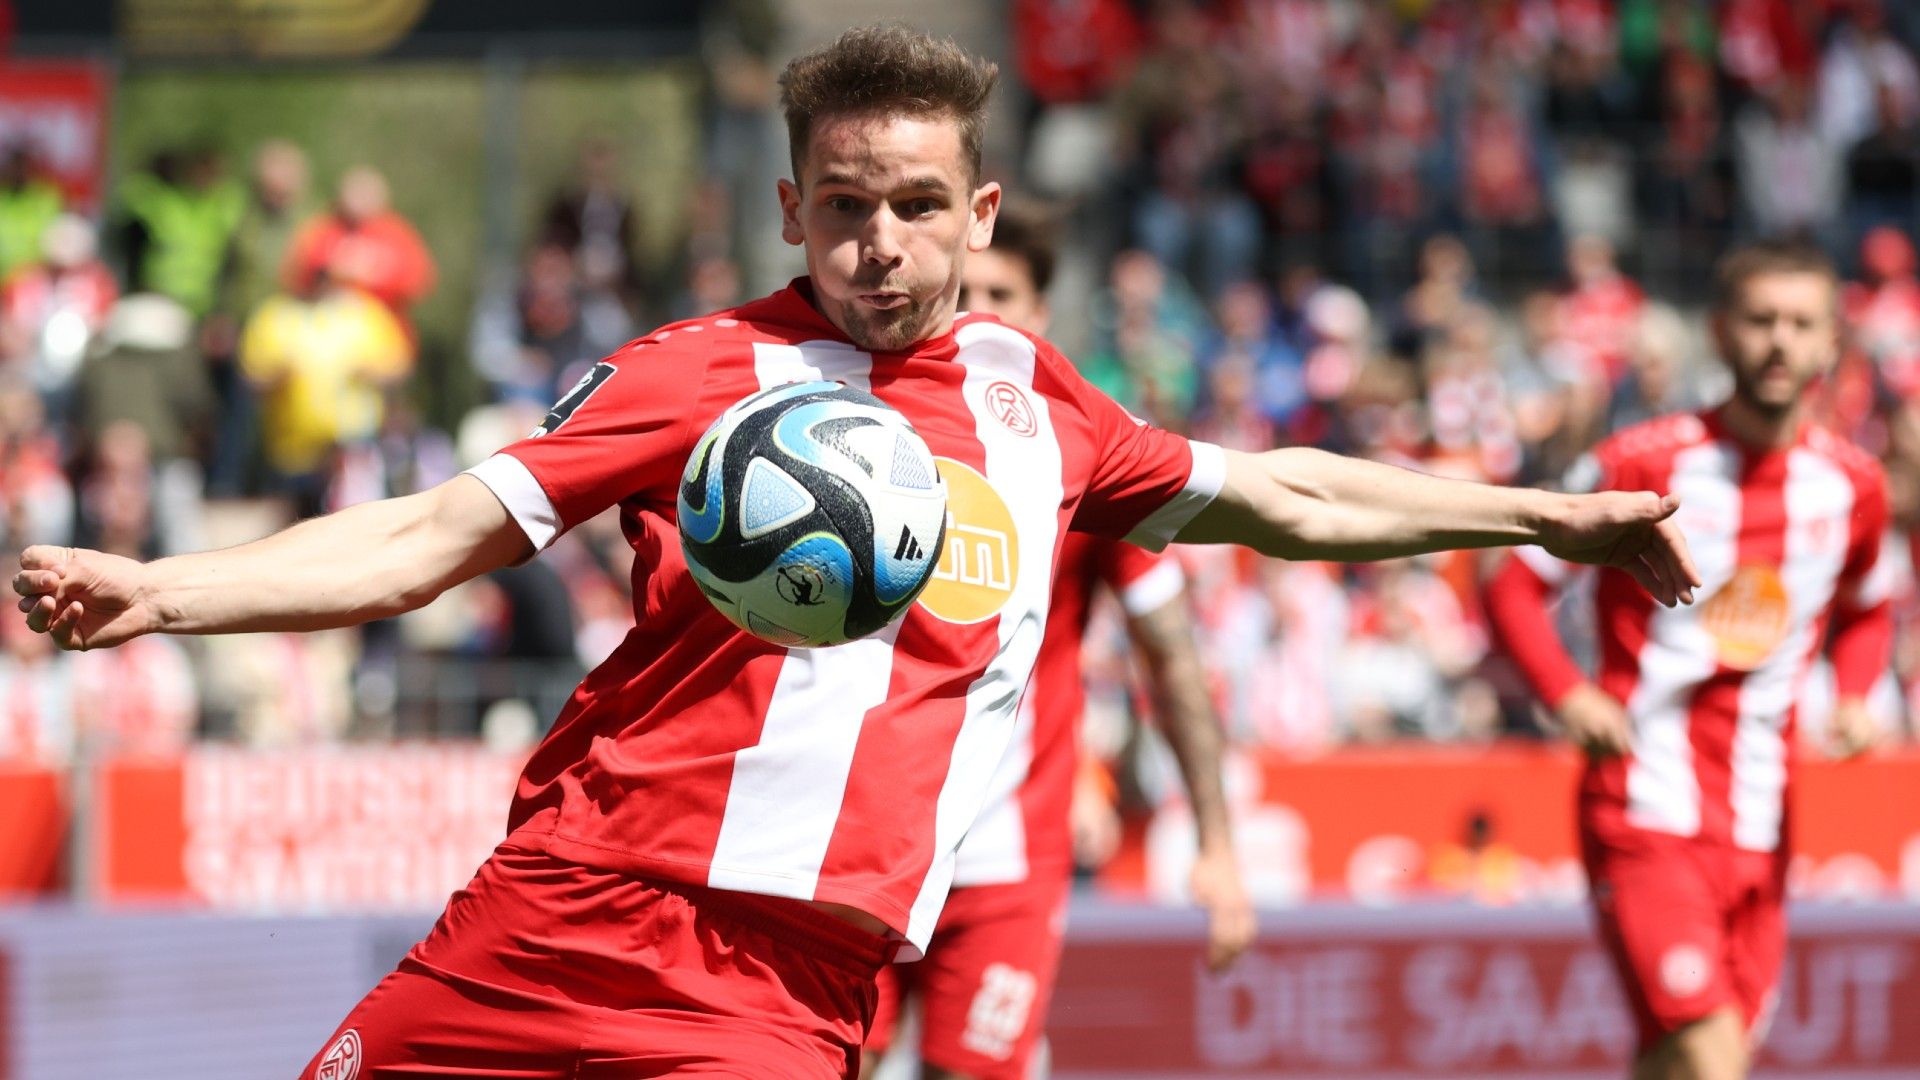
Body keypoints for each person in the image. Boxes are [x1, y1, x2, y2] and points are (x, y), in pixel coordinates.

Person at [17, 26, 1697, 1080]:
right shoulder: (699, 372)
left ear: (979, 213)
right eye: (841, 205)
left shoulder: (1040, 405)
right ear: (789, 211)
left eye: (911, 203)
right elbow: (432, 536)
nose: (876, 242)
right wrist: (167, 592)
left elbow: (1297, 498)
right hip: (556, 911)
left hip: (782, 980)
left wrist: (1556, 516)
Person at [861, 206, 1254, 1080]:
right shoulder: (866, 441)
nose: (983, 310)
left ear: (1040, 316)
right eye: (970, 291)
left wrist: (1218, 847)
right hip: (864, 844)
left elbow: (1171, 655)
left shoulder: (1080, 458)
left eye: (1006, 294)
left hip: (1006, 856)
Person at [1484, 240, 1893, 1080]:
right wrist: (1567, 694)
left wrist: (1854, 695)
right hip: (1643, 805)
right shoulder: (1646, 464)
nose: (1779, 341)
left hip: (1762, 822)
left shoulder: (1852, 487)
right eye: (1760, 319)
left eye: (1801, 323)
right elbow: (1512, 584)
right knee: (1711, 1060)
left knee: (1678, 1062)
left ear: (1829, 347)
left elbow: (1869, 606)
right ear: (1719, 332)